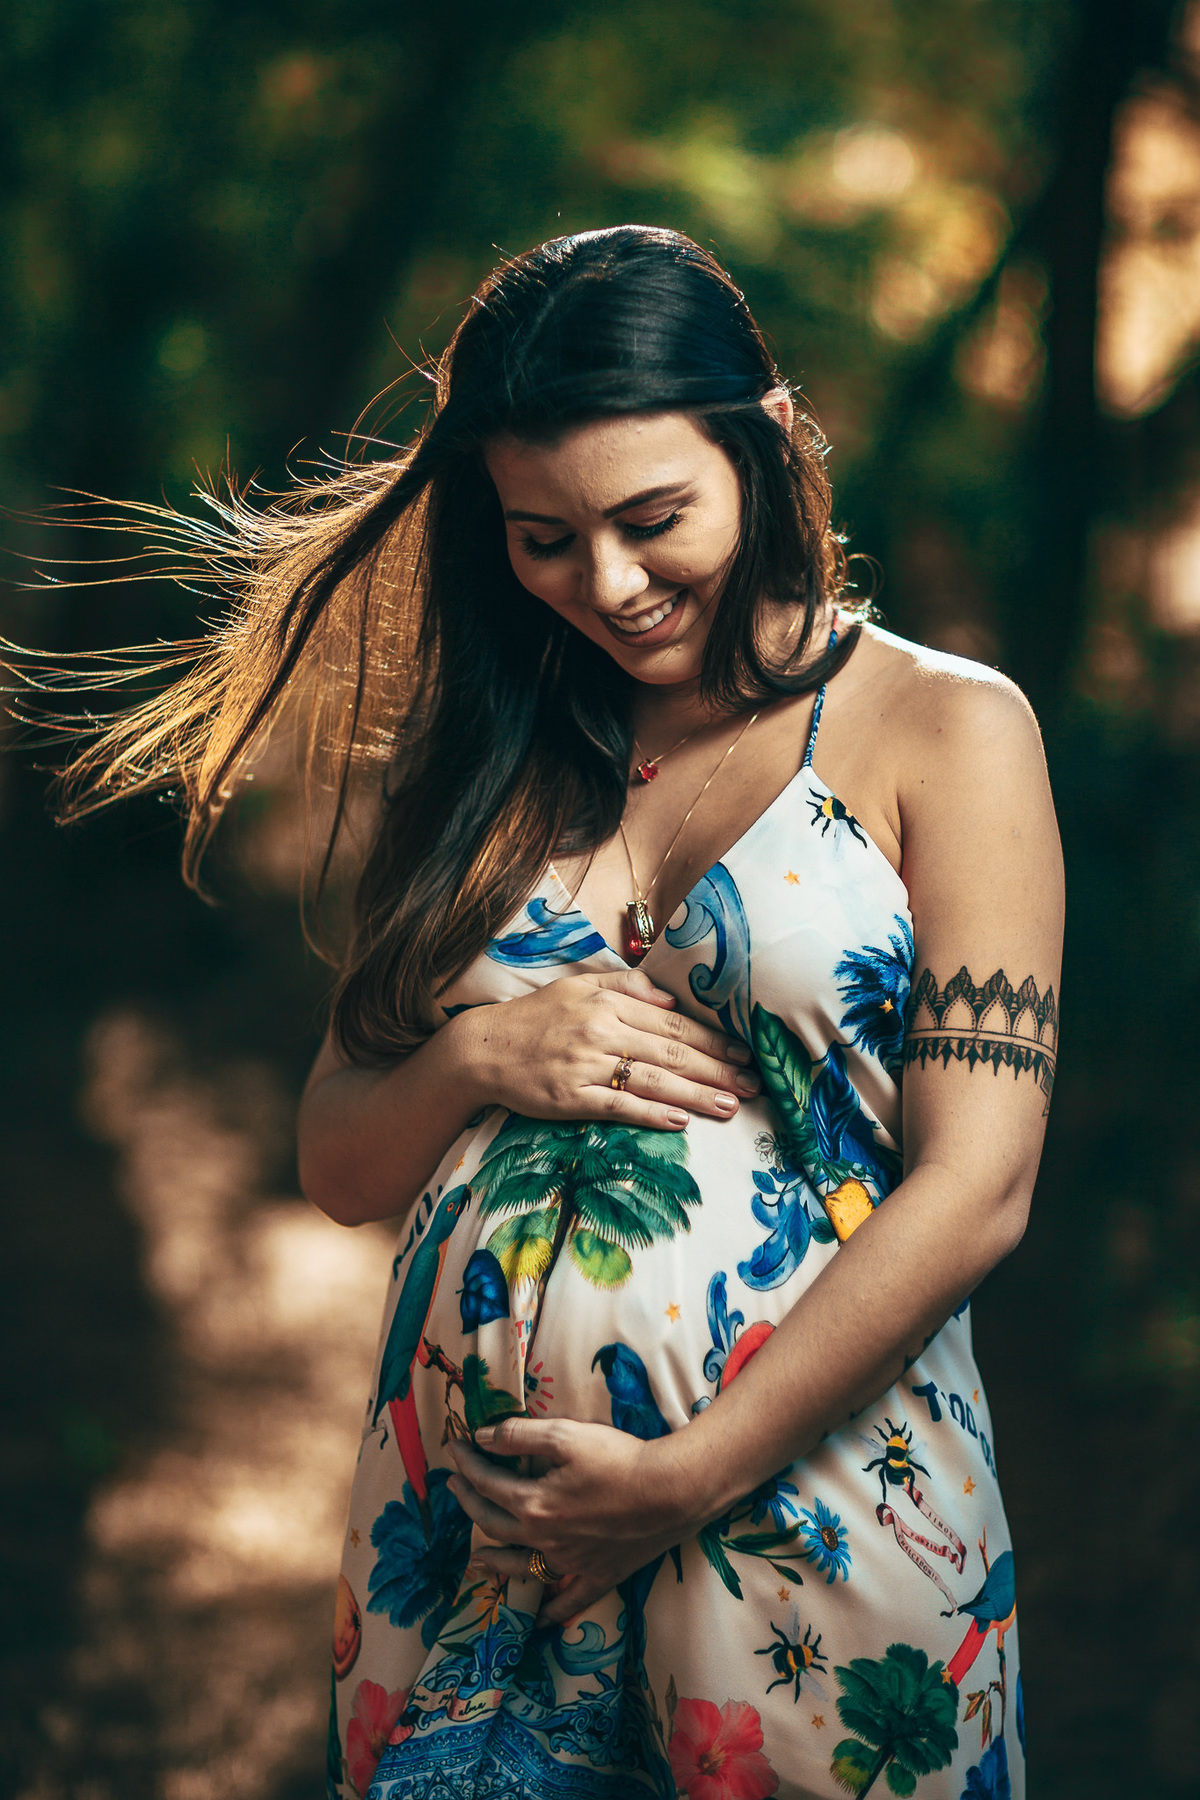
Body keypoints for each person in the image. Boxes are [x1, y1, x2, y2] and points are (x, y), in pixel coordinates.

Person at [41, 226, 1061, 1800]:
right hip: (465, 1549)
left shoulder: (945, 727)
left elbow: (978, 1186)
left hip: (812, 1516)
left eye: (655, 520)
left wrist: (681, 1477)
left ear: (767, 448)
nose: (609, 583)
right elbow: (338, 1162)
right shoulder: (486, 757)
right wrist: (473, 1052)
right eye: (543, 538)